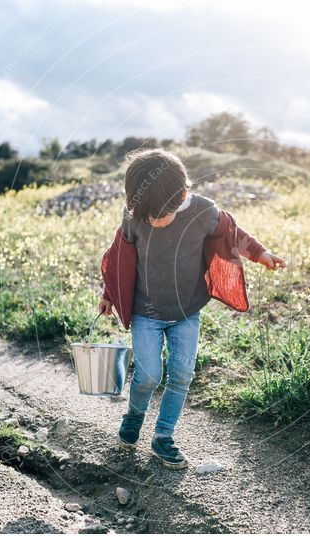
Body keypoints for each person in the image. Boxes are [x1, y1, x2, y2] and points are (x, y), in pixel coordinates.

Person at [98, 148, 285, 469]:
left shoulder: (202, 212)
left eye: (159, 216)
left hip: (186, 312)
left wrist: (261, 254)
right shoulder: (135, 215)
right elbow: (119, 258)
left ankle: (163, 436)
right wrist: (109, 294)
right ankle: (135, 414)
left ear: (182, 195)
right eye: (146, 217)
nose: (152, 222)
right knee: (148, 375)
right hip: (146, 312)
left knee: (182, 374)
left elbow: (231, 233)